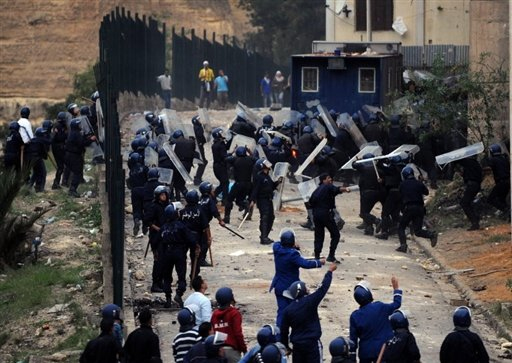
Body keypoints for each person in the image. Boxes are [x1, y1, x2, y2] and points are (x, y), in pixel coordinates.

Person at [280, 263, 338, 363]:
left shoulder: (288, 311)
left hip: (297, 346)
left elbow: (284, 331)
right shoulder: (311, 301)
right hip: (312, 345)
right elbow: (323, 288)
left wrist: (286, 346)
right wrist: (329, 272)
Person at [270, 229, 325, 328]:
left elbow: (278, 243)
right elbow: (306, 264)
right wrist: (319, 262)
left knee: (281, 312)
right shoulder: (293, 254)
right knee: (297, 311)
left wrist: (291, 245)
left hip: (278, 285)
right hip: (292, 288)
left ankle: (279, 335)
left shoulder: (277, 249)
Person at [349, 277, 402, 363]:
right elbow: (396, 304)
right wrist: (396, 289)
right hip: (384, 351)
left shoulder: (355, 316)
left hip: (365, 354)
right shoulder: (379, 307)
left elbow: (353, 341)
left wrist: (352, 358)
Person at [160, 204, 198, 308]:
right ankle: (179, 294)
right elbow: (190, 239)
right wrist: (195, 246)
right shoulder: (181, 226)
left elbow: (160, 242)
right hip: (179, 253)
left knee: (167, 276)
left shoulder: (163, 228)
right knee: (181, 275)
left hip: (167, 253)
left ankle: (168, 299)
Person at [309, 173, 350, 262]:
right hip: (325, 214)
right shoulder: (328, 186)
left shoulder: (317, 190)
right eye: (328, 178)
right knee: (336, 234)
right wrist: (346, 189)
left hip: (316, 215)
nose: (330, 179)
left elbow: (310, 202)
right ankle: (331, 256)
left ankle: (317, 256)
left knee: (319, 235)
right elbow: (338, 189)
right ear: (323, 180)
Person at [396, 166, 438, 253]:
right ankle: (431, 235)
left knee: (401, 227)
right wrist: (421, 182)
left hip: (409, 207)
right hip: (420, 208)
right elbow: (426, 192)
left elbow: (400, 196)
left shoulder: (402, 184)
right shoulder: (418, 183)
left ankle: (403, 245)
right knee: (418, 231)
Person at [250, 159, 282, 245]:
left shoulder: (267, 176)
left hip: (269, 200)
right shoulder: (259, 177)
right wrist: (253, 200)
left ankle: (265, 236)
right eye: (266, 168)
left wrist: (277, 182)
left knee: (271, 217)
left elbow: (271, 186)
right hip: (262, 200)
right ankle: (263, 237)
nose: (268, 169)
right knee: (264, 217)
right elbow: (255, 189)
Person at [144, 185, 170, 293]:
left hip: (166, 237)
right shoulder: (153, 206)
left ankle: (161, 282)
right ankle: (155, 284)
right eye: (162, 195)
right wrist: (158, 229)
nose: (164, 197)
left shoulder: (167, 205)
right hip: (156, 237)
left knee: (165, 261)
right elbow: (147, 221)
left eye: (165, 194)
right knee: (158, 260)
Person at [211, 287, 247, 362]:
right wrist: (244, 349)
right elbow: (238, 334)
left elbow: (213, 333)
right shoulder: (234, 313)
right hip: (232, 351)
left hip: (218, 351)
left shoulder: (214, 315)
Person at [223, 146, 255, 224]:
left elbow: (226, 159)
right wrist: (250, 152)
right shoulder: (250, 159)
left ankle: (227, 217)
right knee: (239, 200)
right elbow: (257, 159)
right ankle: (245, 204)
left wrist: (232, 151)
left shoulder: (235, 159)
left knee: (229, 200)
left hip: (238, 184)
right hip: (248, 184)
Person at [65, 119, 96, 197]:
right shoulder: (75, 134)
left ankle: (72, 189)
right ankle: (72, 190)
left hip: (71, 155)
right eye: (79, 124)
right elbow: (82, 143)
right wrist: (91, 140)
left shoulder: (74, 133)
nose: (80, 126)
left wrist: (88, 138)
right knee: (77, 173)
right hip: (74, 156)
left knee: (76, 172)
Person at [198, 181, 225, 266]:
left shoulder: (200, 199)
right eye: (212, 189)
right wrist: (220, 221)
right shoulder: (209, 200)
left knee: (199, 241)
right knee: (206, 241)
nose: (213, 191)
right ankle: (201, 260)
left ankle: (197, 258)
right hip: (204, 224)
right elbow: (214, 211)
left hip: (196, 224)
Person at [484, 144, 510, 216]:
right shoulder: (504, 158)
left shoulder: (493, 160)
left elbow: (488, 169)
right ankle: (507, 216)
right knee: (501, 199)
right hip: (508, 182)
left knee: (490, 199)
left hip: (501, 182)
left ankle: (507, 210)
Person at [211, 128, 230, 206]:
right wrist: (231, 155)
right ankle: (223, 200)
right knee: (225, 183)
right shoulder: (220, 144)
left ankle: (213, 196)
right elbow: (224, 156)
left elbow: (226, 148)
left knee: (223, 183)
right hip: (220, 166)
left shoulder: (216, 144)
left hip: (217, 166)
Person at [51, 112, 68, 189]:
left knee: (63, 166)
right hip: (58, 148)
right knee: (60, 166)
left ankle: (61, 182)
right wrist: (65, 135)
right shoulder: (58, 126)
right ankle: (56, 183)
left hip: (60, 147)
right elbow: (58, 138)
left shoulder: (62, 126)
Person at [192, 116, 208, 186]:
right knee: (202, 163)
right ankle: (197, 178)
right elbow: (200, 135)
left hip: (199, 147)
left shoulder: (198, 127)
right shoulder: (197, 128)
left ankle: (198, 177)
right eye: (199, 119)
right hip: (199, 147)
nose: (200, 120)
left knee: (203, 162)